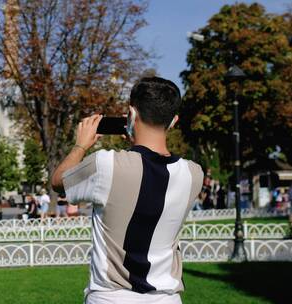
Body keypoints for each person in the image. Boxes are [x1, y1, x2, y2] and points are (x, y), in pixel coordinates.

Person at [52, 77, 204, 304]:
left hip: (110, 296)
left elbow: (58, 181)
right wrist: (135, 146)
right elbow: (148, 175)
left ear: (131, 114)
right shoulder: (194, 174)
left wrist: (80, 145)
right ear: (173, 121)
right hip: (166, 298)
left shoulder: (106, 165)